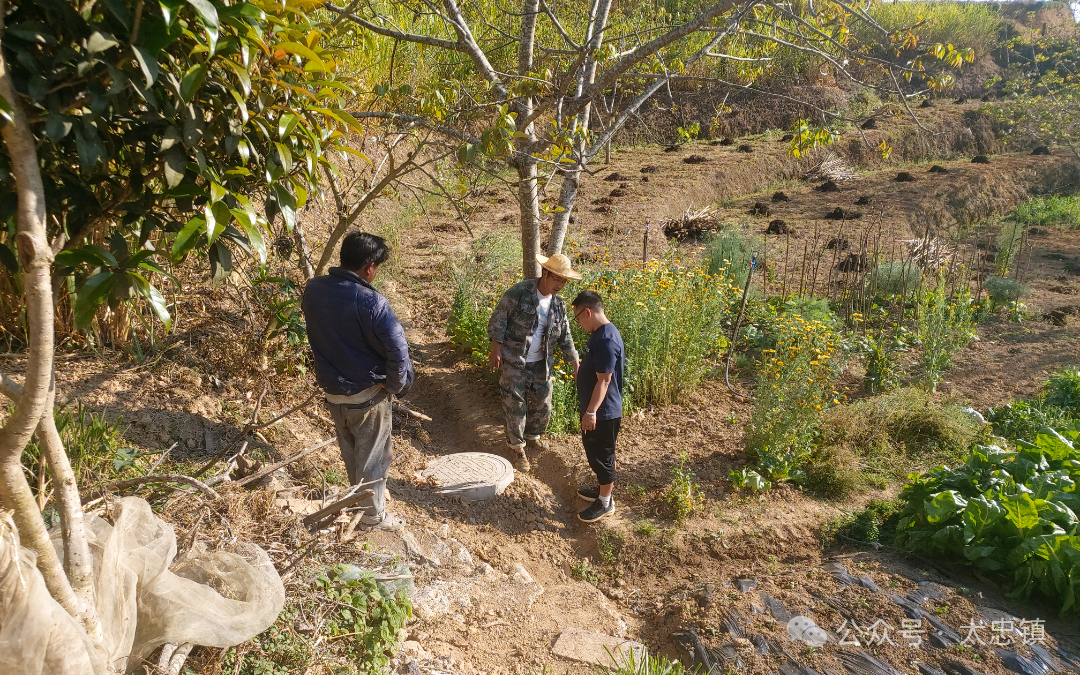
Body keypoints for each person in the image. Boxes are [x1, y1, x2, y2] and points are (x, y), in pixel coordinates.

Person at [301, 231, 415, 531]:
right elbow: (398, 351)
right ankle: (372, 518)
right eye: (376, 267)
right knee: (374, 459)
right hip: (366, 394)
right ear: (369, 267)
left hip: (334, 392)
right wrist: (394, 387)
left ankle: (357, 504)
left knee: (352, 454)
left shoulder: (313, 289)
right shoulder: (371, 301)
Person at [488, 254, 581, 472]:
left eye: (564, 281)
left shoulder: (558, 305)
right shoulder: (519, 293)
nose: (560, 285)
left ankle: (532, 435)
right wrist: (496, 348)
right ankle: (517, 449)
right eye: (556, 279)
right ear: (545, 274)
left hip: (542, 363)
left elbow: (565, 336)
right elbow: (499, 319)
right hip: (514, 358)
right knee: (515, 404)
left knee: (543, 402)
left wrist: (575, 361)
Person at [570, 290, 624, 523]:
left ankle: (605, 502)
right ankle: (603, 491)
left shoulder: (605, 339)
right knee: (596, 454)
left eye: (578, 318)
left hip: (603, 412)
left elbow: (605, 380)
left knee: (603, 456)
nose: (578, 323)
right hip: (599, 411)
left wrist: (591, 411)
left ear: (588, 311)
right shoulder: (600, 335)